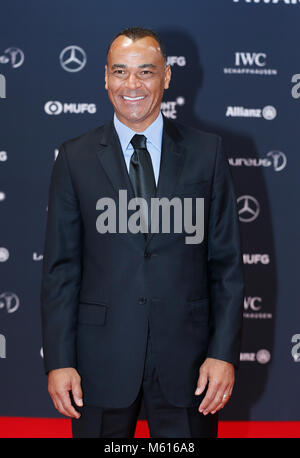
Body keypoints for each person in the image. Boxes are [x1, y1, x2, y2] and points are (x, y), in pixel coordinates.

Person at [40, 27, 244, 438]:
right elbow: (61, 270)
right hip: (99, 364)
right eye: (120, 72)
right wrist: (59, 361)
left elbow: (226, 266)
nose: (131, 85)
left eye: (145, 72)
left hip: (189, 367)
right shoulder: (74, 158)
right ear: (105, 77)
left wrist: (223, 355)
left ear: (166, 77)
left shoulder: (208, 153)